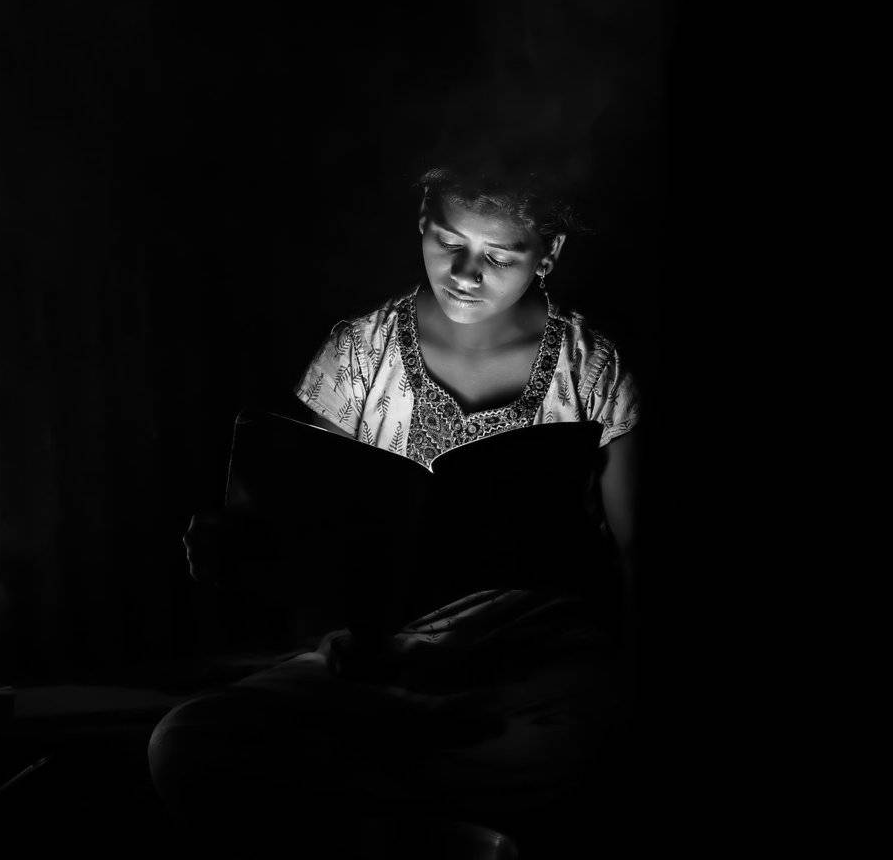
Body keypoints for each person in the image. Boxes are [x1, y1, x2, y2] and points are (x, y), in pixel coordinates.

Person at [149, 164, 642, 859]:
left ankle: (404, 787)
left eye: (500, 256)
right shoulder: (359, 353)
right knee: (187, 740)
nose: (465, 273)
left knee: (585, 741)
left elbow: (632, 550)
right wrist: (244, 549)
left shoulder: (593, 369)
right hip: (380, 654)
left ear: (548, 253)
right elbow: (308, 524)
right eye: (449, 242)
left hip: (529, 653)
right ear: (421, 224)